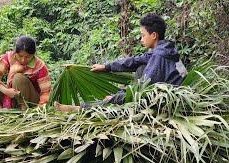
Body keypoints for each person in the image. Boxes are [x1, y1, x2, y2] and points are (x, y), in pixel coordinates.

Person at [55, 13, 187, 112]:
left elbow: (142, 91)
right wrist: (107, 67)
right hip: (170, 94)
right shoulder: (166, 49)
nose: (141, 39)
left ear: (153, 35)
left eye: (143, 35)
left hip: (166, 104)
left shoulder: (159, 56)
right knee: (140, 67)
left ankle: (81, 109)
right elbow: (135, 61)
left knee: (118, 105)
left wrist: (114, 98)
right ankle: (91, 105)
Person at [0, 36, 52, 110]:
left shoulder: (39, 66)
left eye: (28, 57)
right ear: (15, 52)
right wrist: (6, 91)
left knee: (18, 77)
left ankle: (24, 110)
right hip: (12, 95)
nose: (23, 60)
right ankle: (0, 110)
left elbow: (46, 92)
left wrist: (40, 108)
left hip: (31, 101)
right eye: (20, 56)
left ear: (34, 54)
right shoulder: (9, 57)